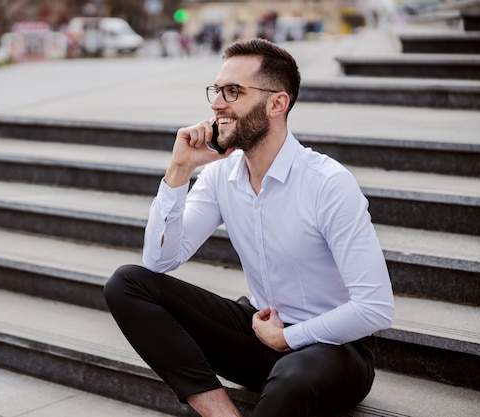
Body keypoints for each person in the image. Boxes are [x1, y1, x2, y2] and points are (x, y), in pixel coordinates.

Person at [104, 38, 394, 417]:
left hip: (335, 351)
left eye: (233, 92)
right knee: (127, 284)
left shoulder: (327, 183)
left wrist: (289, 337)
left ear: (277, 103)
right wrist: (179, 170)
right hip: (259, 331)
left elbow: (375, 308)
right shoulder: (221, 175)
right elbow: (160, 261)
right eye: (217, 90)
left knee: (295, 376)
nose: (216, 103)